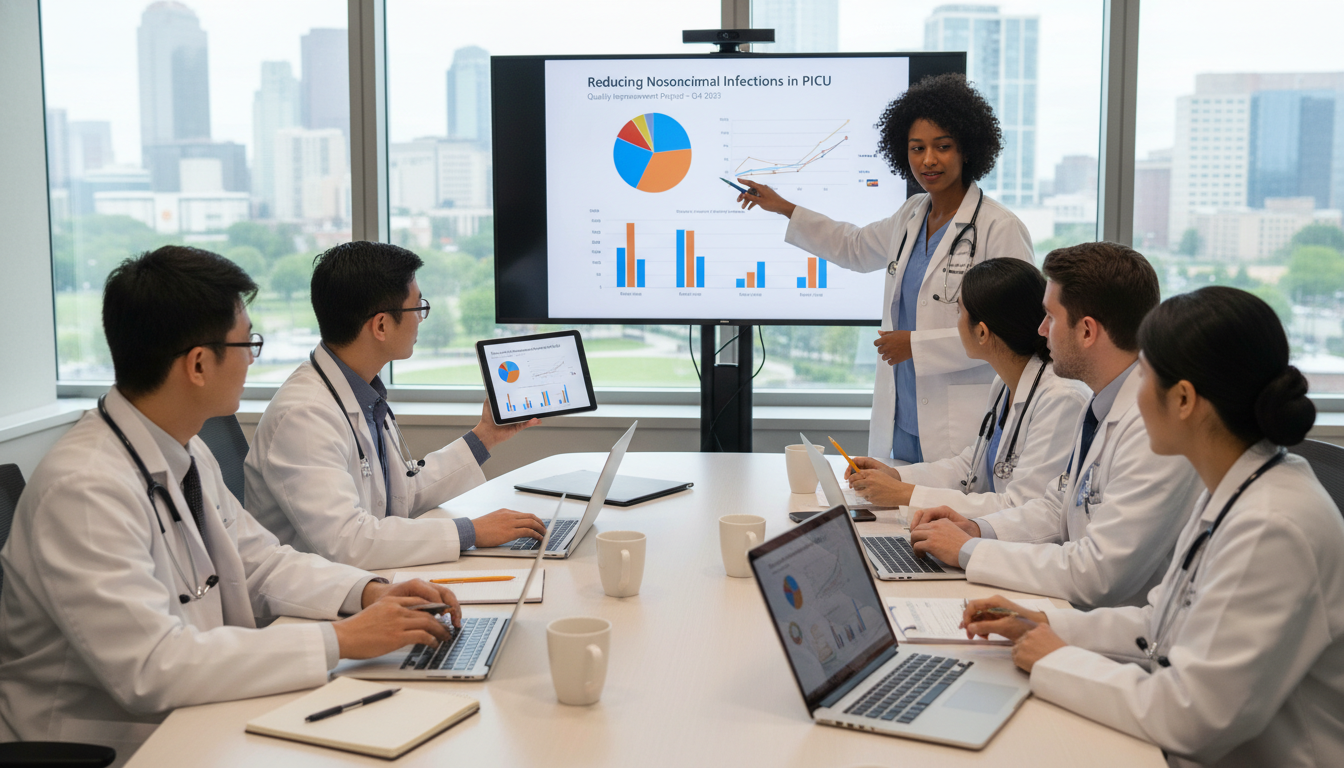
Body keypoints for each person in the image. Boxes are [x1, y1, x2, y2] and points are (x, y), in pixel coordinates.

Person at [0, 247, 464, 762]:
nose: (251, 359)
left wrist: (369, 592)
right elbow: (153, 667)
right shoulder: (84, 489)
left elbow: (261, 564)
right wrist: (341, 641)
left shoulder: (182, 447)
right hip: (109, 744)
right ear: (199, 364)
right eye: (247, 344)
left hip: (195, 714)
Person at [962, 286, 1344, 768]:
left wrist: (1054, 658)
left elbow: (1193, 716)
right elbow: (1158, 626)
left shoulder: (1273, 525)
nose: (1133, 396)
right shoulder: (1237, 486)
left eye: (1144, 375)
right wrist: (1043, 624)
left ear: (1184, 399)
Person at [737, 73, 1033, 463]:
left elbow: (1017, 334)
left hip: (962, 422)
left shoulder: (999, 227)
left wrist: (916, 345)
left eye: (942, 147)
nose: (928, 160)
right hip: (904, 417)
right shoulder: (911, 215)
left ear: (966, 150)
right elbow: (854, 247)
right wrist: (785, 208)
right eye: (917, 148)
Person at [908, 242, 1203, 609]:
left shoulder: (1150, 430)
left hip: (1117, 635)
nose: (1041, 329)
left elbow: (1097, 573)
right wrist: (978, 529)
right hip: (1079, 613)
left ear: (1087, 332)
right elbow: (1055, 506)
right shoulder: (1101, 402)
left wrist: (969, 550)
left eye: (1050, 316)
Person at [245, 241, 546, 570]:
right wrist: (470, 531)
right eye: (417, 308)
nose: (421, 319)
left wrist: (486, 435)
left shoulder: (361, 392)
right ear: (381, 325)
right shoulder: (304, 416)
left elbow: (401, 494)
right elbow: (348, 542)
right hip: (316, 602)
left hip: (366, 580)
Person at [844, 258, 1089, 516]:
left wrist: (905, 495)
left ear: (982, 333)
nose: (956, 321)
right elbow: (971, 468)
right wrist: (895, 476)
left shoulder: (1061, 399)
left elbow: (1022, 508)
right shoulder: (1004, 384)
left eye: (959, 312)